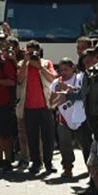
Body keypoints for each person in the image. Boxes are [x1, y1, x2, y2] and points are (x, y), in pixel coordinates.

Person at [15, 41, 56, 175]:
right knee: (31, 137)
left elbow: (52, 79)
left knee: (48, 137)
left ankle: (48, 163)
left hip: (45, 106)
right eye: (28, 51)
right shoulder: (22, 64)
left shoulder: (46, 63)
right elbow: (20, 80)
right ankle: (36, 162)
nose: (31, 54)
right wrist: (26, 63)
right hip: (29, 107)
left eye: (33, 51)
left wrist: (39, 67)